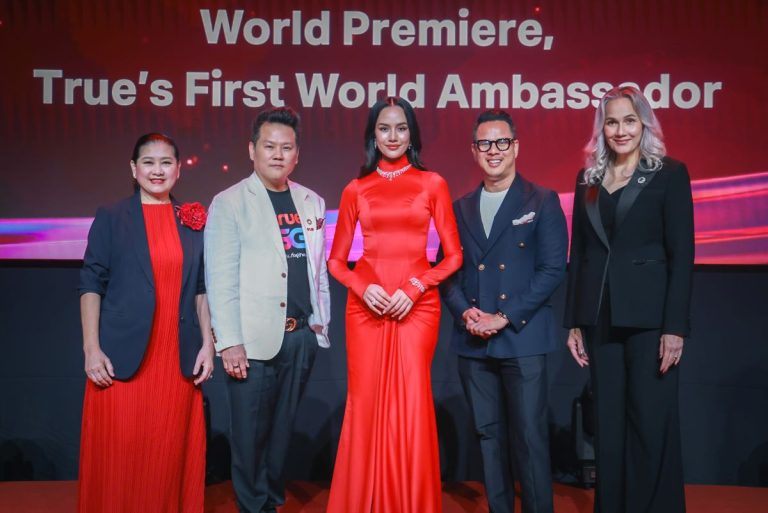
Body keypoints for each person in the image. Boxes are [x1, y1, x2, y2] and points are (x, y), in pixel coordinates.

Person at [326, 96, 463, 513]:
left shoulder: (432, 183)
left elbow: (453, 256)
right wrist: (361, 287)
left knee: (411, 400)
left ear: (412, 134)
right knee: (366, 401)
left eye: (401, 128)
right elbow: (336, 261)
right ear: (373, 135)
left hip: (416, 307)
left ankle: (408, 502)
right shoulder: (355, 189)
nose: (392, 136)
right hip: (365, 306)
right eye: (384, 128)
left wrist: (417, 285)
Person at [564, 86, 694, 513]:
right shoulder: (587, 179)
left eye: (629, 121)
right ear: (601, 128)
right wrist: (574, 320)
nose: (620, 130)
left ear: (644, 124)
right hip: (600, 318)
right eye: (612, 122)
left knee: (650, 425)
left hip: (650, 321)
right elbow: (580, 253)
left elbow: (682, 255)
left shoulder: (669, 174)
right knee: (608, 426)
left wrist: (675, 327)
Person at [77, 133, 214, 513]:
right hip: (122, 358)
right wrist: (91, 348)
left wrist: (208, 344)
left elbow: (201, 288)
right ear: (133, 168)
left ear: (178, 169)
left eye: (166, 162)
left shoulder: (191, 220)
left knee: (166, 455)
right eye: (149, 162)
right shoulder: (112, 217)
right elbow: (91, 283)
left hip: (176, 359)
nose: (157, 170)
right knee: (121, 458)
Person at [439, 110, 568, 513]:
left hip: (522, 337)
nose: (493, 151)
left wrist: (504, 316)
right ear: (473, 150)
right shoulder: (459, 207)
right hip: (474, 342)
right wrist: (465, 314)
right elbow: (446, 273)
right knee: (488, 437)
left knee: (529, 438)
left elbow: (552, 269)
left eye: (501, 142)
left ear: (515, 147)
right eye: (484, 143)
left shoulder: (542, 200)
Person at [204, 107, 330, 513]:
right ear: (252, 150)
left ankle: (270, 501)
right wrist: (229, 342)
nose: (278, 154)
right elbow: (220, 279)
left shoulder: (311, 201)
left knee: (280, 435)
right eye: (269, 146)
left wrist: (319, 326)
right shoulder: (229, 203)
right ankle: (253, 506)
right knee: (249, 436)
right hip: (252, 341)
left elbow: (317, 270)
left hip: (300, 336)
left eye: (286, 147)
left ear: (297, 154)